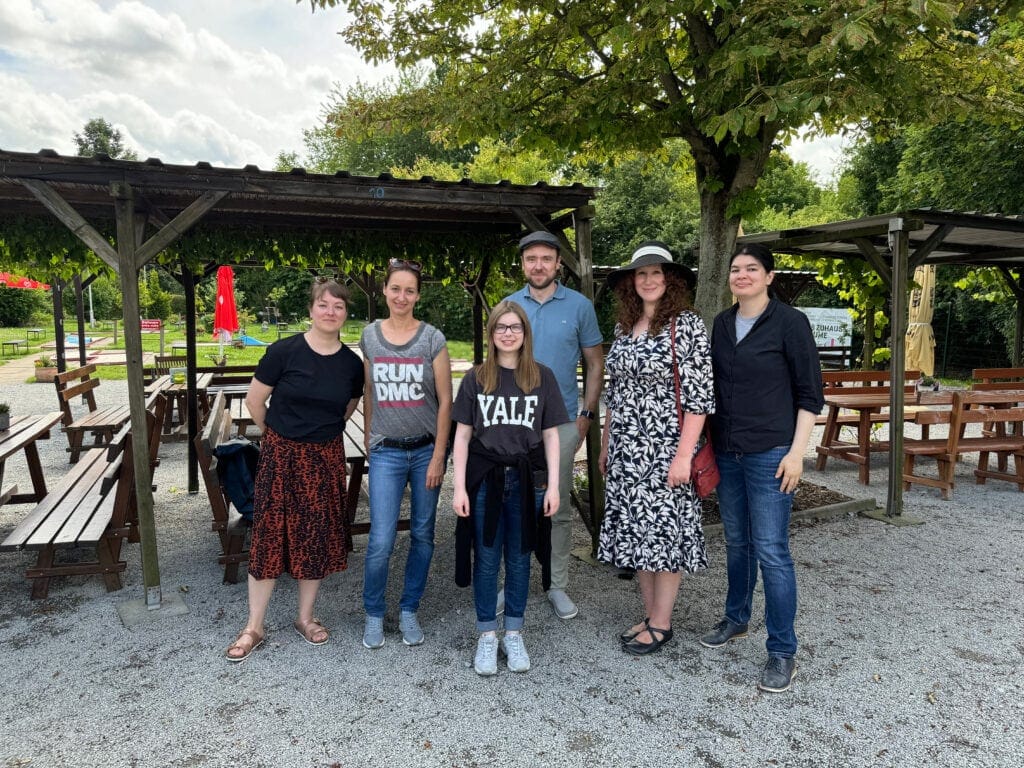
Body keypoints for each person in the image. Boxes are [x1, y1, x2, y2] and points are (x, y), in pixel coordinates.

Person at [700, 243, 824, 693]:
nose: (742, 275)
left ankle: (783, 651)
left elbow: (810, 395)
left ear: (769, 277)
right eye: (736, 269)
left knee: (772, 550)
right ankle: (736, 619)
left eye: (752, 269)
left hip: (772, 452)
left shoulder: (791, 323)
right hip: (728, 450)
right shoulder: (720, 323)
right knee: (737, 542)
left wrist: (797, 453)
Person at [224, 277, 363, 662]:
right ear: (311, 309)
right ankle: (254, 625)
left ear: (345, 313)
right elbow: (255, 402)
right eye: (324, 305)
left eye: (338, 306)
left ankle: (305, 617)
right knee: (270, 537)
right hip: (282, 456)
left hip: (325, 458)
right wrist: (279, 437)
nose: (330, 312)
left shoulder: (352, 364)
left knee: (314, 537)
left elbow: (348, 407)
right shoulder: (283, 351)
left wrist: (317, 437)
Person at [597, 241, 715, 656]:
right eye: (641, 273)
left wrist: (684, 456)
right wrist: (607, 442)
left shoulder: (687, 326)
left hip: (666, 448)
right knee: (636, 532)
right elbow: (616, 391)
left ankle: (662, 624)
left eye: (656, 272)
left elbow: (700, 398)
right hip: (627, 448)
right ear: (632, 281)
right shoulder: (623, 327)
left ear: (671, 280)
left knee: (664, 534)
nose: (648, 280)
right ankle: (649, 615)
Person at [451, 301, 568, 675]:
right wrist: (459, 488)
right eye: (500, 327)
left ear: (524, 333)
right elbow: (462, 436)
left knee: (519, 559)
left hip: (527, 480)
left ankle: (513, 632)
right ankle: (487, 635)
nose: (507, 333)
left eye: (514, 327)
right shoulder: (477, 378)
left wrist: (553, 486)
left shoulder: (541, 377)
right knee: (486, 558)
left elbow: (551, 435)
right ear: (491, 334)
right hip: (485, 479)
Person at [503, 230, 603, 620]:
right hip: (511, 423)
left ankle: (557, 585)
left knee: (556, 508)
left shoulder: (579, 306)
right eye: (532, 259)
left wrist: (586, 417)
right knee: (512, 504)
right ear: (523, 264)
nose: (539, 265)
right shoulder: (508, 305)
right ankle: (510, 585)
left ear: (558, 263)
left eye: (546, 258)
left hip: (560, 423)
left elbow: (595, 364)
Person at [360, 258, 453, 649]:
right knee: (381, 538)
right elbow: (368, 390)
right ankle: (374, 613)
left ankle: (410, 607)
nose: (402, 296)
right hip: (387, 452)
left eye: (409, 290)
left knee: (422, 533)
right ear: (385, 290)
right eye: (395, 288)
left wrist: (438, 457)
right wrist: (368, 436)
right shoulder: (369, 336)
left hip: (425, 450)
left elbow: (447, 402)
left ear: (418, 295)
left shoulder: (432, 338)